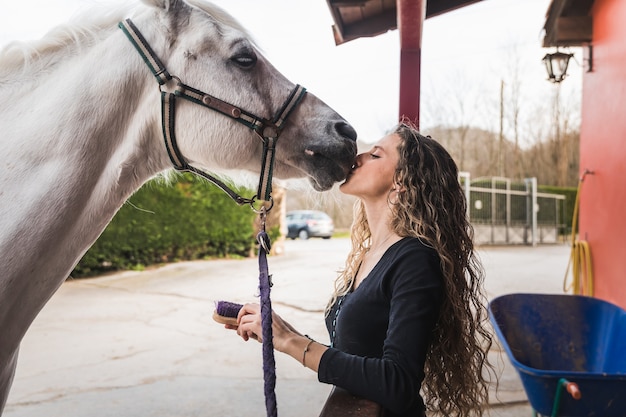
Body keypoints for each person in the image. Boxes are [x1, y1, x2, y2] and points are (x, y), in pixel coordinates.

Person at [226, 120, 495, 417]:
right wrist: (277, 328)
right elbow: (356, 355)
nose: (358, 158)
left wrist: (291, 342)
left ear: (402, 182)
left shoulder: (417, 259)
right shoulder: (369, 254)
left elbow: (398, 381)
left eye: (375, 155)